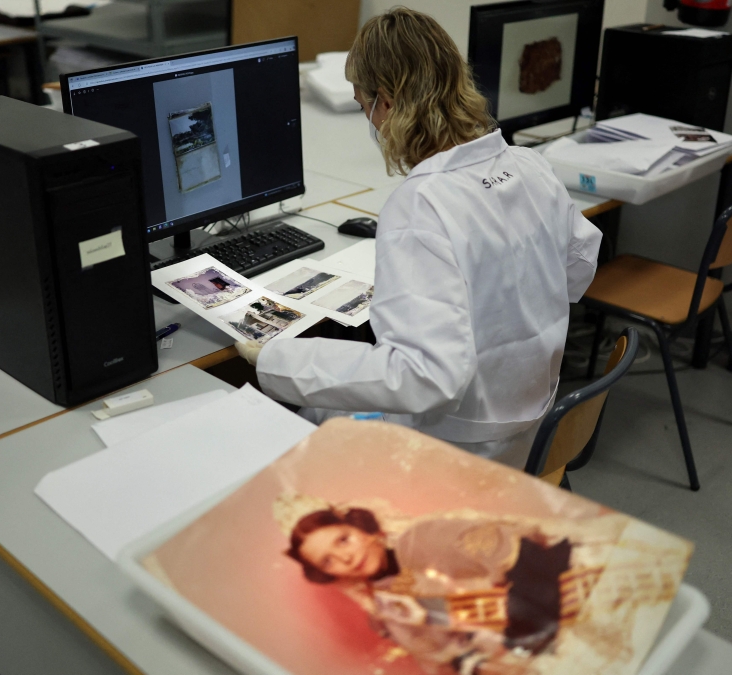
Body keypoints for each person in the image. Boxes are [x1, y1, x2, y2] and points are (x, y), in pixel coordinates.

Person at [236, 8, 602, 468]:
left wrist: (278, 359)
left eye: (362, 104)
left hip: (460, 454)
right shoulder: (529, 166)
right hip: (534, 428)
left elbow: (427, 378)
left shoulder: (422, 204)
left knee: (299, 417)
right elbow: (578, 270)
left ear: (386, 104)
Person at [277, 498, 648, 674]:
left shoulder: (420, 539)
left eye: (343, 540)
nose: (343, 558)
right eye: (327, 560)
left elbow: (523, 557)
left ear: (363, 528)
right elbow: (449, 656)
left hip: (569, 601)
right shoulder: (386, 606)